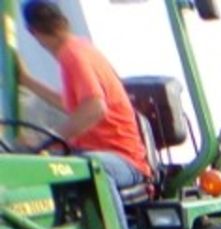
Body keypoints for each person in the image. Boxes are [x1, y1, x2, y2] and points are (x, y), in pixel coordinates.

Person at [9, 0, 151, 191]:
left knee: (85, 167)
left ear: (32, 31)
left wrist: (47, 140)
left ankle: (108, 222)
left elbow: (95, 108)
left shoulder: (73, 55)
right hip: (91, 150)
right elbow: (74, 107)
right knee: (43, 168)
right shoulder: (78, 48)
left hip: (121, 159)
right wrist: (28, 82)